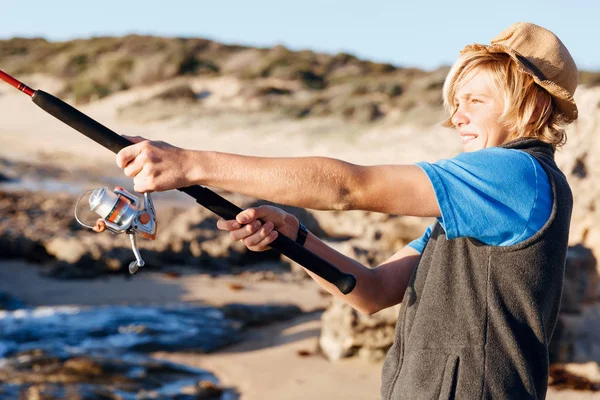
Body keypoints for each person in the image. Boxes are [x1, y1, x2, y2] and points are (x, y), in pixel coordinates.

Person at [115, 22, 577, 399]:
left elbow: (349, 187)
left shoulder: (517, 177)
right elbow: (371, 291)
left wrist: (190, 164)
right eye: (456, 102)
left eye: (475, 101)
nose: (456, 117)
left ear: (531, 104)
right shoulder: (483, 201)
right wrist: (295, 238)